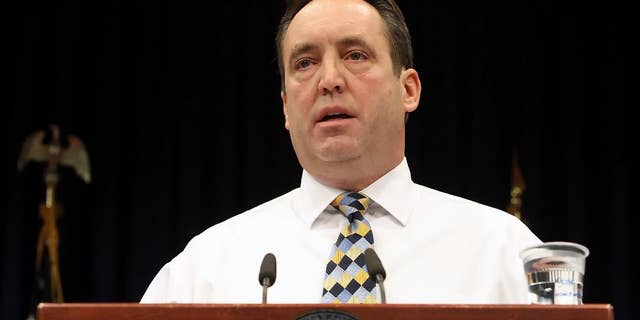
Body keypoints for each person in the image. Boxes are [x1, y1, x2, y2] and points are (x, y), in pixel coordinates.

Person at [141, 0, 541, 304]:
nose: (329, 80)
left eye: (355, 55)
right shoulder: (205, 268)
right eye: (305, 62)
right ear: (284, 106)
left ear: (409, 89)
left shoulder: (503, 252)